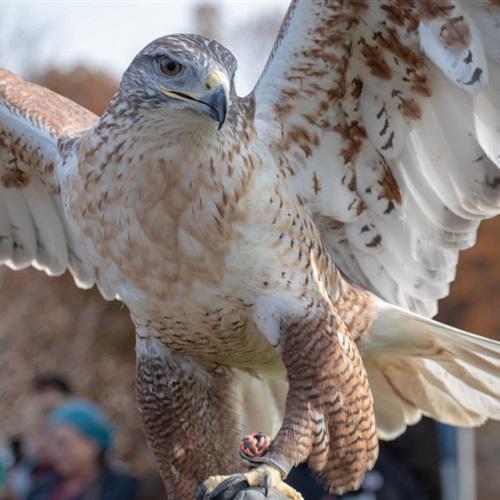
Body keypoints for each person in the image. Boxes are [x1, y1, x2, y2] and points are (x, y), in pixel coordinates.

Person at [26, 400, 137, 500]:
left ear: (93, 445)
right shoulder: (41, 489)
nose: (56, 452)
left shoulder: (121, 489)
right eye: (53, 444)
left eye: (64, 443)